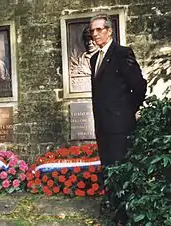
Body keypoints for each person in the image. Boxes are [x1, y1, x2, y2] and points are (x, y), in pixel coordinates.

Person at [89, 14, 147, 225]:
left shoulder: (123, 54)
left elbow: (139, 85)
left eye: (99, 30)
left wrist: (128, 110)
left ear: (109, 31)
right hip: (103, 127)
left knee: (121, 170)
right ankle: (115, 213)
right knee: (109, 170)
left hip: (121, 126)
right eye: (92, 31)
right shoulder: (95, 59)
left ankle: (126, 216)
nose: (95, 34)